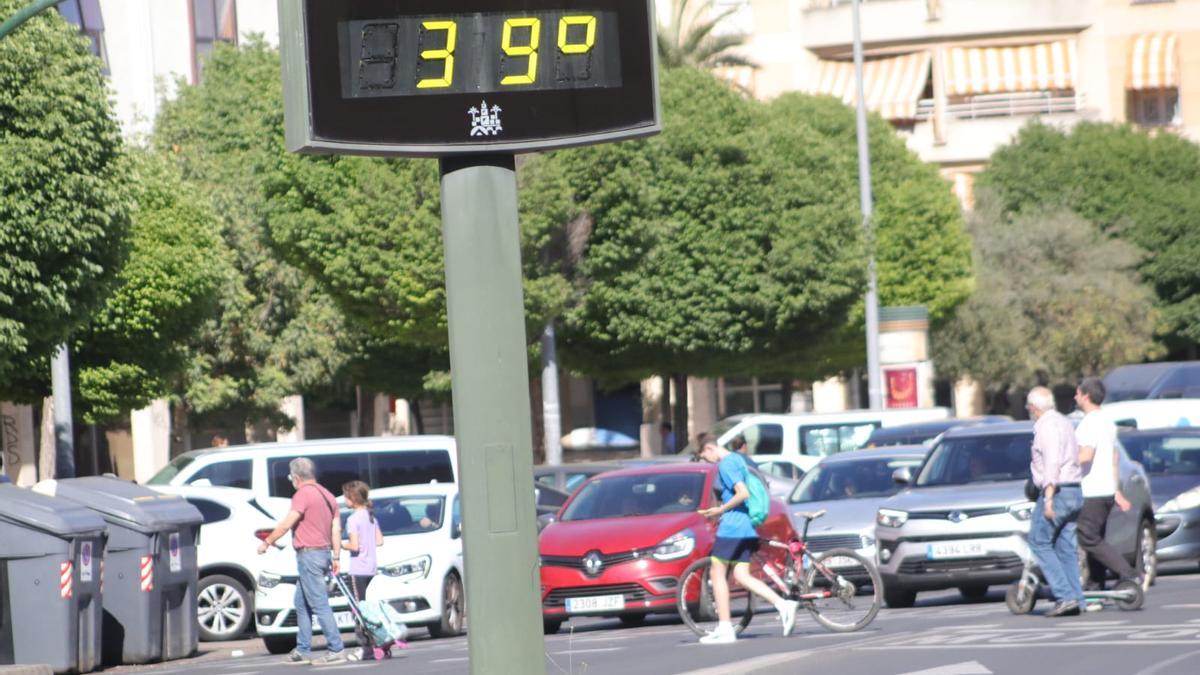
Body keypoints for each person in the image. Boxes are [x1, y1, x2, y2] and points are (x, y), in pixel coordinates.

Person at [693, 433, 799, 644]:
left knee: (717, 573)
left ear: (709, 449)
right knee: (741, 575)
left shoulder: (726, 465)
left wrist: (719, 509)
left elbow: (742, 493)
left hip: (732, 526)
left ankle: (725, 628)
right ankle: (782, 604)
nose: (707, 461)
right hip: (746, 527)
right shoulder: (738, 459)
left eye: (705, 457)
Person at [257, 458, 346, 664]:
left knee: (319, 603)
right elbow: (336, 528)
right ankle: (303, 649)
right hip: (323, 553)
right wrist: (336, 556)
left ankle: (336, 648)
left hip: (309, 556)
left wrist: (267, 542)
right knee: (301, 602)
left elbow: (287, 523)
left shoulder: (302, 495)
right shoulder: (328, 495)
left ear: (296, 478)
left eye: (291, 478)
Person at [1074, 377, 1140, 597]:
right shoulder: (1106, 422)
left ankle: (1127, 572)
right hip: (1105, 489)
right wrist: (1116, 490)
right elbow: (1113, 458)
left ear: (1085, 395)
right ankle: (1095, 586)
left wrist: (1061, 462)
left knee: (1087, 536)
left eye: (1077, 393)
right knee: (1096, 538)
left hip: (1092, 489)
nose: (1075, 397)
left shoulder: (1089, 423)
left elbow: (1086, 455)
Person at [1027, 386, 1086, 617]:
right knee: (1065, 546)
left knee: (1039, 541)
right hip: (1074, 490)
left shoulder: (1047, 427)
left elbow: (1052, 463)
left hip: (1058, 491)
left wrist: (1049, 497)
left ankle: (1064, 596)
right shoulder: (1064, 422)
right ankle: (1076, 596)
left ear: (1033, 407)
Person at [341, 481, 386, 660]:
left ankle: (365, 646)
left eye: (345, 496)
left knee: (358, 609)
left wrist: (340, 545)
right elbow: (380, 540)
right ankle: (376, 642)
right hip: (371, 567)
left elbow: (354, 545)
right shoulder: (370, 516)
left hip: (358, 568)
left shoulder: (353, 519)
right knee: (367, 608)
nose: (344, 499)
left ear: (353, 498)